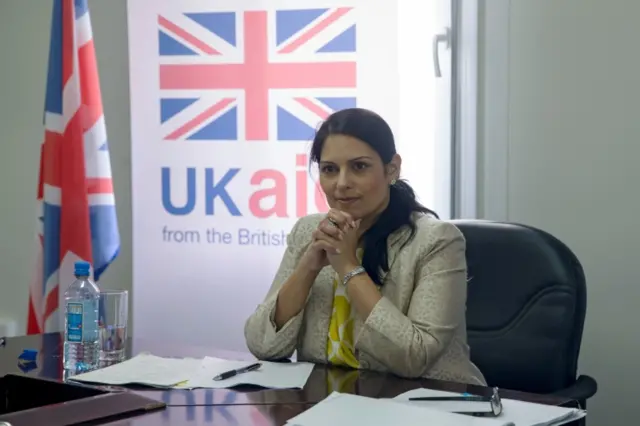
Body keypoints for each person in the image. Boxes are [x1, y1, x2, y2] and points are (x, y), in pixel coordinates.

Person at [244, 108, 486, 385]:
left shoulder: (437, 241)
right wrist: (308, 267)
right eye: (329, 170)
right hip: (329, 404)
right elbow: (262, 345)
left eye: (359, 167)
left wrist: (348, 267)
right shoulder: (309, 232)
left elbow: (414, 358)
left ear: (391, 169)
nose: (342, 184)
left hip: (426, 406)